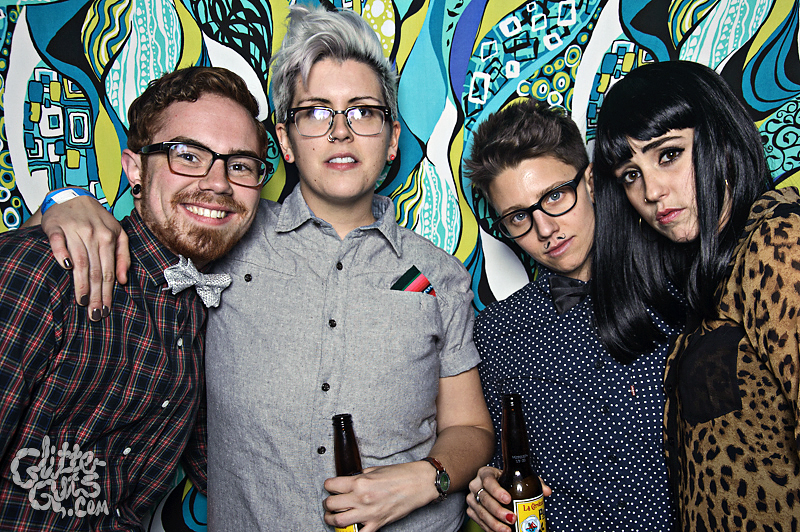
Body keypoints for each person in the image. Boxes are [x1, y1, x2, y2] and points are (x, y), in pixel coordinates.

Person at [36, 5, 495, 531]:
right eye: (316, 113)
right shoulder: (224, 235)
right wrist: (62, 202)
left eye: (363, 112)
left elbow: (470, 427)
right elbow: (153, 222)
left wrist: (425, 478)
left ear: (392, 139)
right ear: (285, 140)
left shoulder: (438, 275)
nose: (340, 132)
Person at [0, 66, 267, 530]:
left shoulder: (207, 312)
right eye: (188, 155)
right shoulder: (50, 266)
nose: (219, 183)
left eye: (240, 165)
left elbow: (240, 475)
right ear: (135, 169)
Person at [591, 60, 799, 531]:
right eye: (630, 174)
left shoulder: (779, 243)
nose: (652, 191)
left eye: (668, 155)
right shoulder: (713, 275)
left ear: (721, 138)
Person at [463, 99, 677, 532]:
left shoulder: (678, 288)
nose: (545, 229)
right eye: (519, 217)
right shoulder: (497, 333)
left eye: (555, 196)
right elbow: (497, 463)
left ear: (592, 182)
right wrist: (485, 487)